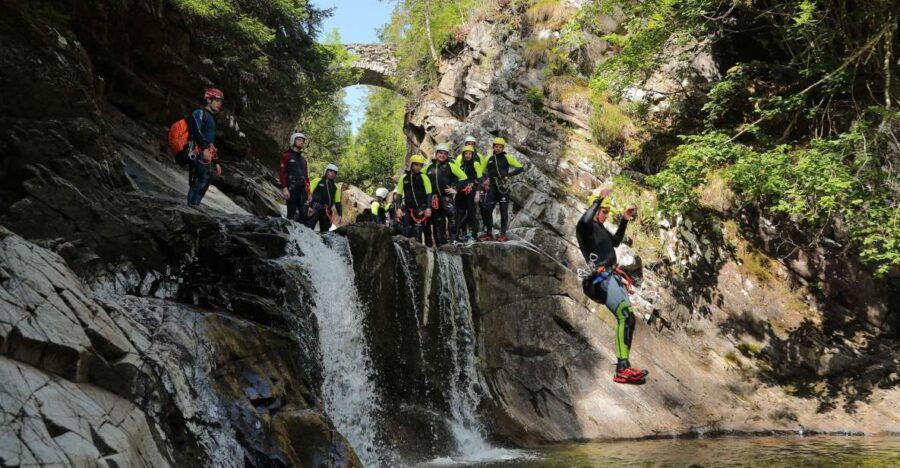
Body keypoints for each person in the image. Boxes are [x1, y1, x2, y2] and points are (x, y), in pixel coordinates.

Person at [576, 187, 645, 385]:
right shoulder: (585, 227)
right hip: (601, 279)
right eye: (604, 212)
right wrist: (599, 199)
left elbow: (615, 242)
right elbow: (584, 220)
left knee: (628, 318)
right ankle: (622, 369)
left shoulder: (599, 227)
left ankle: (624, 367)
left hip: (611, 276)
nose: (606, 216)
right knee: (624, 315)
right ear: (596, 210)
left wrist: (624, 219)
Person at [479, 137, 525, 242]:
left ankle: (503, 234)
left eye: (499, 147)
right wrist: (485, 179)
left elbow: (520, 168)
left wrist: (509, 175)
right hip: (491, 187)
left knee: (503, 211)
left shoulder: (507, 158)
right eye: (496, 146)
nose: (497, 148)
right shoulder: (488, 158)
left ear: (502, 148)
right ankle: (489, 233)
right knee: (488, 209)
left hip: (503, 187)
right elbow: (481, 172)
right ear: (493, 147)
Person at [424, 144, 468, 246]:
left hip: (446, 197)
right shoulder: (428, 168)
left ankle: (454, 240)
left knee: (452, 217)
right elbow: (419, 177)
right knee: (438, 222)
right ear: (436, 154)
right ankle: (440, 244)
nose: (442, 155)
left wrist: (455, 189)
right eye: (440, 153)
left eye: (445, 154)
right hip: (434, 199)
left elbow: (464, 177)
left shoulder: (450, 166)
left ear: (447, 155)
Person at [186, 88, 224, 206]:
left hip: (205, 153)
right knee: (202, 176)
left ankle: (194, 203)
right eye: (216, 100)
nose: (219, 103)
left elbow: (211, 143)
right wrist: (204, 149)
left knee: (206, 177)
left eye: (220, 101)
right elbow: (196, 131)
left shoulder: (210, 118)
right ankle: (192, 203)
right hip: (197, 151)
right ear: (208, 100)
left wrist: (216, 162)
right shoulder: (199, 113)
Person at [394, 155, 434, 243]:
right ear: (411, 164)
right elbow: (399, 194)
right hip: (408, 209)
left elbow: (429, 193)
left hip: (421, 208)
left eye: (420, 165)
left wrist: (428, 207)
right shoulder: (404, 178)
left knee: (421, 232)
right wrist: (398, 208)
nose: (418, 167)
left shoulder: (424, 177)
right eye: (416, 164)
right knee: (407, 231)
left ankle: (428, 248)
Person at [279, 132, 310, 223]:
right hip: (291, 189)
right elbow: (282, 173)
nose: (301, 142)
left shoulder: (303, 160)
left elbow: (306, 177)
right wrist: (285, 188)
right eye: (299, 140)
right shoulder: (286, 156)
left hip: (302, 190)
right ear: (293, 141)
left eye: (303, 141)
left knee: (304, 215)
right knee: (291, 214)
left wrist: (309, 192)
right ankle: (288, 231)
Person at [455, 145, 483, 241]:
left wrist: (478, 192)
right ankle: (458, 235)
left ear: (472, 154)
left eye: (469, 153)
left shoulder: (475, 164)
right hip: (461, 192)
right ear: (463, 155)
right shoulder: (461, 165)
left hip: (471, 191)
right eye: (466, 153)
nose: (467, 155)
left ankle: (474, 236)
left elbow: (480, 178)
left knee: (471, 213)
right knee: (459, 213)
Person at [306, 164, 342, 233]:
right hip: (315, 208)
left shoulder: (336, 187)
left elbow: (337, 202)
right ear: (326, 171)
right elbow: (308, 193)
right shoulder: (318, 180)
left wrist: (340, 215)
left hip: (326, 211)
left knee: (325, 232)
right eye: (330, 171)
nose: (332, 174)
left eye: (334, 172)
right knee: (308, 228)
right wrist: (308, 206)